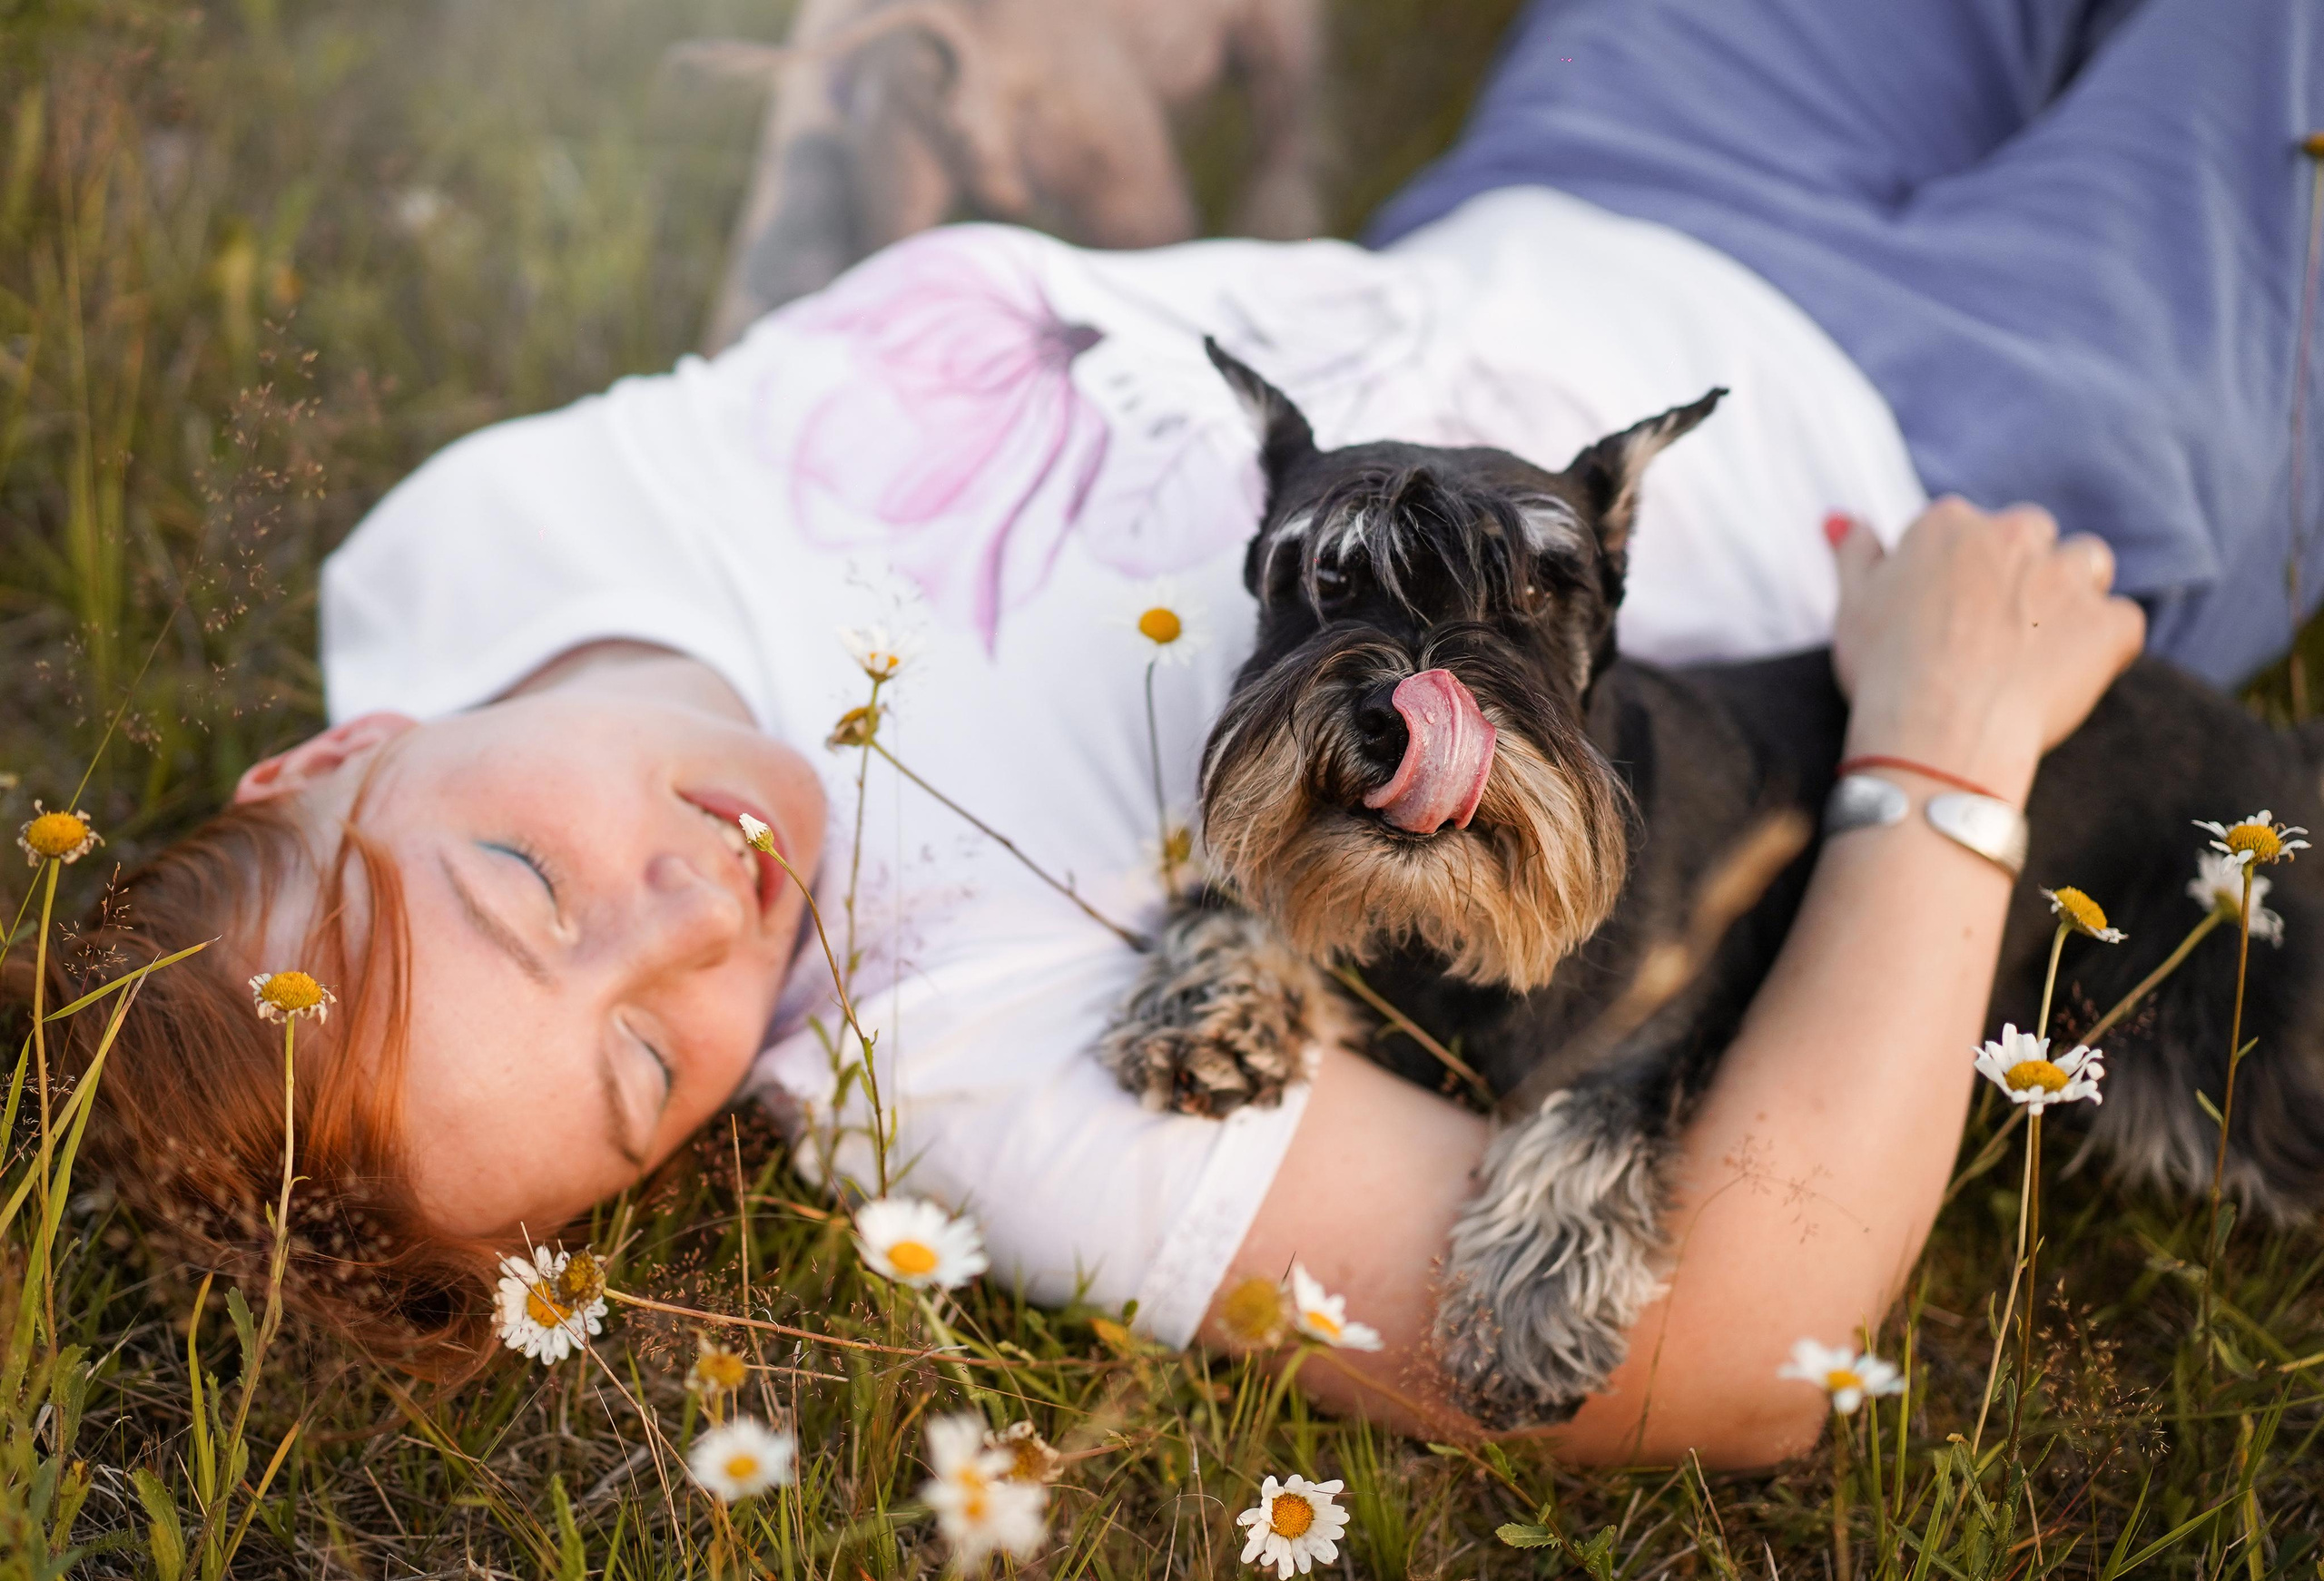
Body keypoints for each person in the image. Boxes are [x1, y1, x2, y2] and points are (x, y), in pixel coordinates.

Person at [23, 0, 2313, 1466]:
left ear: (325, 760)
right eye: (644, 1074)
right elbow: (1703, 1353)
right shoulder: (976, 1051)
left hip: (1606, 176)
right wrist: (1947, 753)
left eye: (520, 890)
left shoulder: (430, 564)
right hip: (1953, 454)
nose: (685, 923)